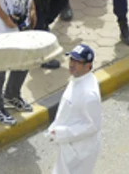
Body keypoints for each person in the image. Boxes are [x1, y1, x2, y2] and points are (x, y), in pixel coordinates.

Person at [47, 43, 103, 174]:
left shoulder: (89, 94)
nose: (72, 64)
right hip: (69, 146)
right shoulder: (78, 78)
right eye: (71, 59)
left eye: (77, 61)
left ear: (87, 66)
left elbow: (93, 126)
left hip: (80, 152)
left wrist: (62, 132)